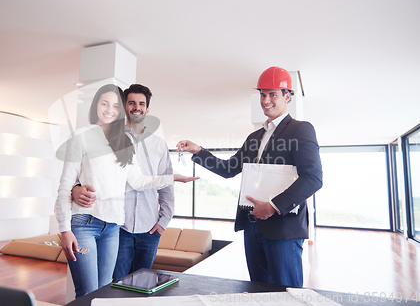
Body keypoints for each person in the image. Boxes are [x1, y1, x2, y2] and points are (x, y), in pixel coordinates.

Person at [177, 66, 323, 287]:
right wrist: (199, 151)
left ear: (287, 96)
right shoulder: (255, 137)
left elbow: (313, 177)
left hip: (283, 229)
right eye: (262, 94)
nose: (265, 100)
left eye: (272, 94)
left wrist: (273, 206)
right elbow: (228, 169)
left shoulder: (300, 129)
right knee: (258, 293)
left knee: (286, 296)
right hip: (253, 227)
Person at [55, 84, 197, 298]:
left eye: (114, 105)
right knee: (87, 293)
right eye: (104, 103)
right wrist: (65, 229)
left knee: (104, 292)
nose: (110, 109)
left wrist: (173, 178)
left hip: (113, 226)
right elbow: (66, 184)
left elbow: (139, 181)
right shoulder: (82, 136)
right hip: (87, 223)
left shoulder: (124, 142)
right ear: (96, 107)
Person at [72, 84, 175, 282]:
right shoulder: (107, 138)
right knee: (114, 285)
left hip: (150, 228)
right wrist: (76, 188)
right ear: (123, 107)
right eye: (131, 103)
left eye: (141, 104)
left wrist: (163, 222)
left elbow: (166, 188)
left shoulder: (159, 144)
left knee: (142, 285)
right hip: (118, 227)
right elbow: (84, 174)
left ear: (147, 109)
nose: (137, 107)